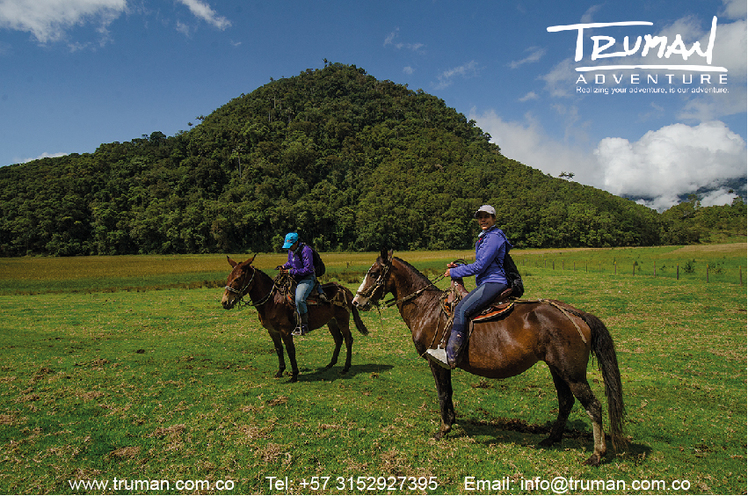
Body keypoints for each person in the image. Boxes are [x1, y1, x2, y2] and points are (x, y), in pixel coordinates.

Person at [426, 205, 512, 369]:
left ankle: (451, 356)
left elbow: (480, 266)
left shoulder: (494, 237)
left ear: (494, 219)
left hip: (495, 282)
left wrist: (454, 272)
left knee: (461, 309)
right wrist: (458, 268)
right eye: (480, 217)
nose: (483, 219)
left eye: (486, 216)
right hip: (488, 281)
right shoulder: (485, 237)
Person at [279, 232, 318, 336]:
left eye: (291, 245)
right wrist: (284, 267)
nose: (289, 248)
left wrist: (290, 272)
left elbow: (308, 269)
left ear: (296, 242)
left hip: (307, 278)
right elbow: (290, 263)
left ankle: (304, 325)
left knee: (299, 299)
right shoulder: (291, 251)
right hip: (295, 278)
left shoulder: (306, 251)